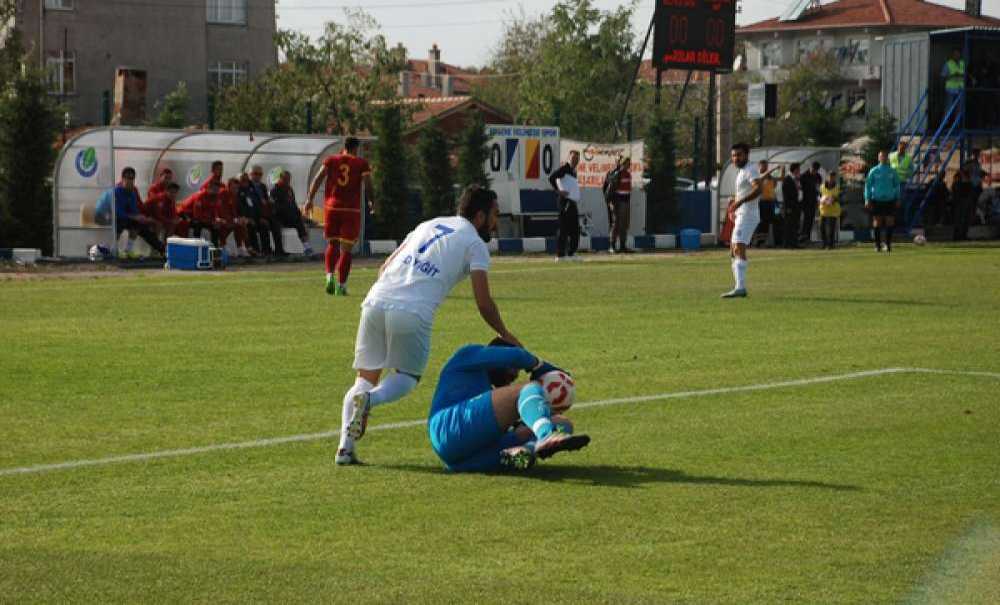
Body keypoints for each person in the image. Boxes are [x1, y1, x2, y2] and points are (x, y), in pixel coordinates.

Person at [335, 185, 522, 466]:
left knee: (364, 379)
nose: (496, 223)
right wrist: (505, 334)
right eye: (495, 215)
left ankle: (344, 450)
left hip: (375, 300)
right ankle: (370, 402)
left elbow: (384, 266)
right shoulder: (475, 244)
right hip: (412, 311)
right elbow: (483, 302)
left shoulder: (429, 224)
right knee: (408, 377)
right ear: (480, 216)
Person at [428, 339, 589, 472]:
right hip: (447, 426)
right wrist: (539, 365)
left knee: (562, 424)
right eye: (513, 369)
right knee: (527, 389)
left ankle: (526, 451)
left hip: (465, 452)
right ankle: (545, 436)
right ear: (498, 354)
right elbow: (517, 356)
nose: (513, 376)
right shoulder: (467, 355)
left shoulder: (488, 397)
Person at [305, 137, 373, 295]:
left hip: (332, 208)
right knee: (347, 249)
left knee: (333, 244)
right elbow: (368, 184)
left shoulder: (331, 160)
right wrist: (371, 201)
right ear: (355, 148)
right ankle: (342, 286)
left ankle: (329, 275)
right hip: (351, 210)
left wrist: (309, 199)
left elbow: (318, 179)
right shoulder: (361, 163)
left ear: (344, 146)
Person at [721, 143, 761, 299]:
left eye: (739, 155)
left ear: (747, 155)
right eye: (733, 155)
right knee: (733, 250)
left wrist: (741, 202)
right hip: (741, 214)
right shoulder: (741, 171)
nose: (735, 158)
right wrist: (734, 208)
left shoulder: (750, 169)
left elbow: (758, 189)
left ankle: (740, 288)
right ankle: (738, 286)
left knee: (738, 247)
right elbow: (743, 192)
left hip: (748, 215)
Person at [113, 167, 164, 258]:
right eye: (128, 178)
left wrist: (141, 217)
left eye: (132, 178)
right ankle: (113, 250)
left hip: (126, 218)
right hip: (109, 217)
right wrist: (134, 217)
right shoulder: (116, 191)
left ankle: (160, 249)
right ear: (122, 178)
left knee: (140, 225)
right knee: (119, 223)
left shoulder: (133, 191)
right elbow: (117, 212)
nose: (131, 181)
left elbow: (135, 208)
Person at [864, 150, 901, 253]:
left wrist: (898, 198)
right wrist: (867, 199)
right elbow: (868, 186)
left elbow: (897, 185)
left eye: (885, 156)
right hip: (877, 200)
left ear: (887, 158)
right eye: (881, 156)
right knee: (877, 222)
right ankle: (877, 245)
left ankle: (888, 245)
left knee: (890, 221)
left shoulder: (892, 171)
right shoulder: (874, 171)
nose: (883, 158)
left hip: (890, 200)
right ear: (878, 158)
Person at [549, 149, 582, 261]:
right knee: (563, 228)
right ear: (569, 158)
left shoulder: (573, 171)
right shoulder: (565, 168)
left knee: (575, 229)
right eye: (573, 158)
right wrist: (558, 191)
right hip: (565, 202)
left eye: (577, 158)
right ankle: (560, 254)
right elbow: (552, 178)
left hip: (572, 202)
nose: (575, 160)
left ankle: (571, 253)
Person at [271, 170, 313, 257]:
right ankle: (279, 251)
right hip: (280, 217)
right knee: (277, 225)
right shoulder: (274, 190)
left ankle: (307, 247)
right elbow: (276, 207)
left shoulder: (289, 189)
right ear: (280, 178)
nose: (287, 181)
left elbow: (293, 204)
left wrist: (299, 215)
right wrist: (289, 212)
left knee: (300, 222)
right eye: (285, 179)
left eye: (289, 179)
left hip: (291, 217)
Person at [247, 165, 279, 255]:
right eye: (255, 174)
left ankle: (278, 250)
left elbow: (265, 200)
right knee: (263, 225)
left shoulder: (263, 186)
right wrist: (259, 216)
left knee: (275, 223)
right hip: (253, 215)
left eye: (260, 174)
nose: (258, 176)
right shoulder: (247, 186)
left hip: (263, 213)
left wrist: (269, 202)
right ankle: (263, 250)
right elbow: (250, 205)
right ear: (250, 174)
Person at [179, 180, 222, 246]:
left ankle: (215, 248)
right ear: (209, 188)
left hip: (201, 218)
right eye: (215, 189)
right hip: (185, 214)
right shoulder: (200, 196)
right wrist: (210, 221)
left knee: (216, 227)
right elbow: (197, 215)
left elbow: (214, 211)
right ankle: (196, 246)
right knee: (197, 224)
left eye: (217, 190)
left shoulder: (215, 197)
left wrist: (216, 220)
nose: (216, 191)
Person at [217, 178, 251, 257]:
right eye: (233, 188)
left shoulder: (234, 196)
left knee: (242, 224)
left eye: (237, 188)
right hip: (219, 219)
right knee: (225, 224)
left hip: (229, 219)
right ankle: (223, 246)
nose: (236, 190)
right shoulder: (222, 194)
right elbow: (221, 212)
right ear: (228, 187)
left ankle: (240, 248)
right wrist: (234, 220)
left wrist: (241, 218)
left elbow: (234, 211)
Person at [754, 159, 778, 247]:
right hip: (762, 202)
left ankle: (765, 241)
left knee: (769, 221)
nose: (765, 168)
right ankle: (758, 241)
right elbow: (760, 180)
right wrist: (772, 170)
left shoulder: (770, 177)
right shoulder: (758, 176)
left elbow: (774, 185)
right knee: (762, 222)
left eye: (766, 166)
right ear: (759, 166)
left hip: (771, 202)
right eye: (763, 166)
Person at [611, 155, 633, 253]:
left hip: (626, 201)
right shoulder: (617, 174)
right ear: (622, 164)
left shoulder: (628, 174)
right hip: (618, 202)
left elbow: (628, 189)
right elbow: (612, 189)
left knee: (624, 224)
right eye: (627, 163)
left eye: (629, 164)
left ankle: (623, 245)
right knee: (616, 224)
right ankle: (612, 245)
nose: (628, 165)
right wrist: (612, 203)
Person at [780, 163, 802, 249]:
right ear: (795, 169)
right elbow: (786, 195)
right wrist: (788, 207)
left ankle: (794, 243)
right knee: (788, 225)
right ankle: (786, 244)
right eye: (798, 169)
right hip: (790, 207)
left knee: (795, 225)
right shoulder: (787, 179)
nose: (799, 171)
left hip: (797, 205)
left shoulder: (796, 179)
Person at [799, 161, 821, 244]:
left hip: (813, 201)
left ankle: (807, 238)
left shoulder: (818, 176)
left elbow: (819, 189)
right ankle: (802, 238)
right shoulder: (804, 176)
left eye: (816, 170)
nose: (814, 171)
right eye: (813, 169)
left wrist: (819, 199)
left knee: (810, 220)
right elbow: (800, 189)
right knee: (805, 220)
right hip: (804, 202)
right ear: (810, 167)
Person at [950, 169, 975, 241]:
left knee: (964, 220)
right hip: (961, 204)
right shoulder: (959, 184)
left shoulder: (967, 184)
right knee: (960, 220)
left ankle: (962, 235)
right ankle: (958, 236)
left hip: (964, 204)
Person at [819, 171, 841, 250]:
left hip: (833, 211)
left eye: (833, 177)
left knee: (831, 229)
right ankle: (824, 244)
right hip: (823, 211)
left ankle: (830, 245)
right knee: (822, 228)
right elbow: (820, 196)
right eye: (830, 177)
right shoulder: (822, 186)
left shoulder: (837, 187)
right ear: (827, 177)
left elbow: (836, 197)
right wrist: (822, 200)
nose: (831, 178)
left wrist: (831, 200)